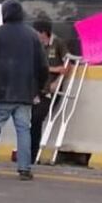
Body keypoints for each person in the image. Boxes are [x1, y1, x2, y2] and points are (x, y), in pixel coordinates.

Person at [0, 0, 49, 180]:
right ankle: (24, 168)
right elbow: (43, 65)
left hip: (0, 90)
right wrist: (37, 88)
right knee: (24, 129)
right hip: (25, 91)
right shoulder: (32, 35)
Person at [30, 19, 69, 161]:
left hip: (50, 89)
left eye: (37, 33)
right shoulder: (36, 46)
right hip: (36, 88)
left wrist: (57, 81)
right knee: (28, 118)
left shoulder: (58, 43)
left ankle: (32, 154)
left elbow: (66, 66)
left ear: (43, 33)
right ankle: (28, 152)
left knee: (37, 118)